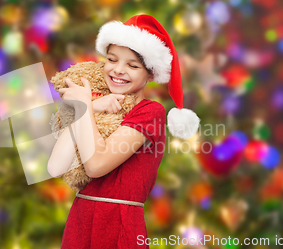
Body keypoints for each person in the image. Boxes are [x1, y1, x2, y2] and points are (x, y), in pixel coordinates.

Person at [47, 14, 200, 248]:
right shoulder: (95, 106)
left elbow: (96, 166)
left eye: (132, 65)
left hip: (118, 225)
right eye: (111, 59)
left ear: (150, 74)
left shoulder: (150, 112)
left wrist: (85, 106)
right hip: (80, 220)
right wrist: (89, 107)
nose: (118, 70)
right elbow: (55, 167)